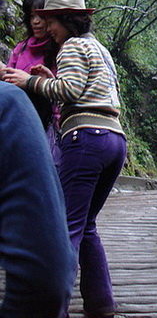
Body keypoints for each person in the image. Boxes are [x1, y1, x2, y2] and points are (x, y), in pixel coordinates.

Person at [4, 0, 126, 318]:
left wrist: (29, 81)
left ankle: (54, 307)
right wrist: (51, 79)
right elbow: (88, 87)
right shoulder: (99, 48)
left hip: (86, 138)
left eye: (52, 22)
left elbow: (70, 91)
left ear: (65, 20)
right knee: (87, 225)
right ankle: (101, 303)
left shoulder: (71, 45)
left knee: (67, 226)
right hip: (115, 139)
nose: (49, 29)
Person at [0, 81, 77, 316]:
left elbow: (70, 87)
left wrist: (32, 81)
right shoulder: (7, 103)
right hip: (80, 137)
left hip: (79, 136)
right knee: (78, 222)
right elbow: (46, 277)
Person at [1, 0, 60, 130]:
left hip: (43, 126)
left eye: (41, 17)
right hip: (14, 117)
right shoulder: (22, 48)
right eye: (32, 16)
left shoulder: (62, 51)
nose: (36, 22)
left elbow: (62, 94)